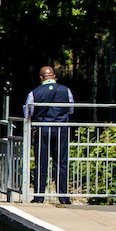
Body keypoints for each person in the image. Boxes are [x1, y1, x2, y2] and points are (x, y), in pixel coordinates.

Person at [23, 66, 74, 203]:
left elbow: (28, 113)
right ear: (54, 75)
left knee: (41, 163)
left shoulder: (34, 93)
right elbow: (71, 109)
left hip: (42, 130)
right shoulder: (66, 90)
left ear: (41, 78)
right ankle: (63, 197)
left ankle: (39, 196)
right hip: (61, 130)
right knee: (61, 163)